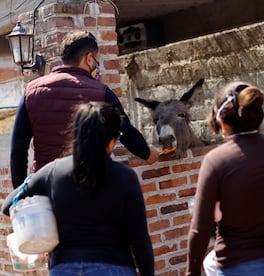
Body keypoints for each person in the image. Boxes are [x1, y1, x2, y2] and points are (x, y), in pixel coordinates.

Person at [2, 102, 154, 276]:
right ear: (111, 141)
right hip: (115, 267)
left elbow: (9, 205)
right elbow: (140, 241)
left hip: (63, 268)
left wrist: (42, 215)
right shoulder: (126, 178)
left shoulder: (53, 172)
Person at [186, 81, 264, 276]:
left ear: (222, 121)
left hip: (237, 264)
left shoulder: (216, 161)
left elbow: (200, 228)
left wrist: (192, 272)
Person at [10, 30, 158, 189]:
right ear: (89, 58)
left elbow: (18, 151)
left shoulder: (31, 91)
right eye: (96, 60)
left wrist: (20, 193)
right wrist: (149, 154)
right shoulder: (102, 92)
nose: (96, 65)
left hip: (47, 187)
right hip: (90, 187)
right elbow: (127, 133)